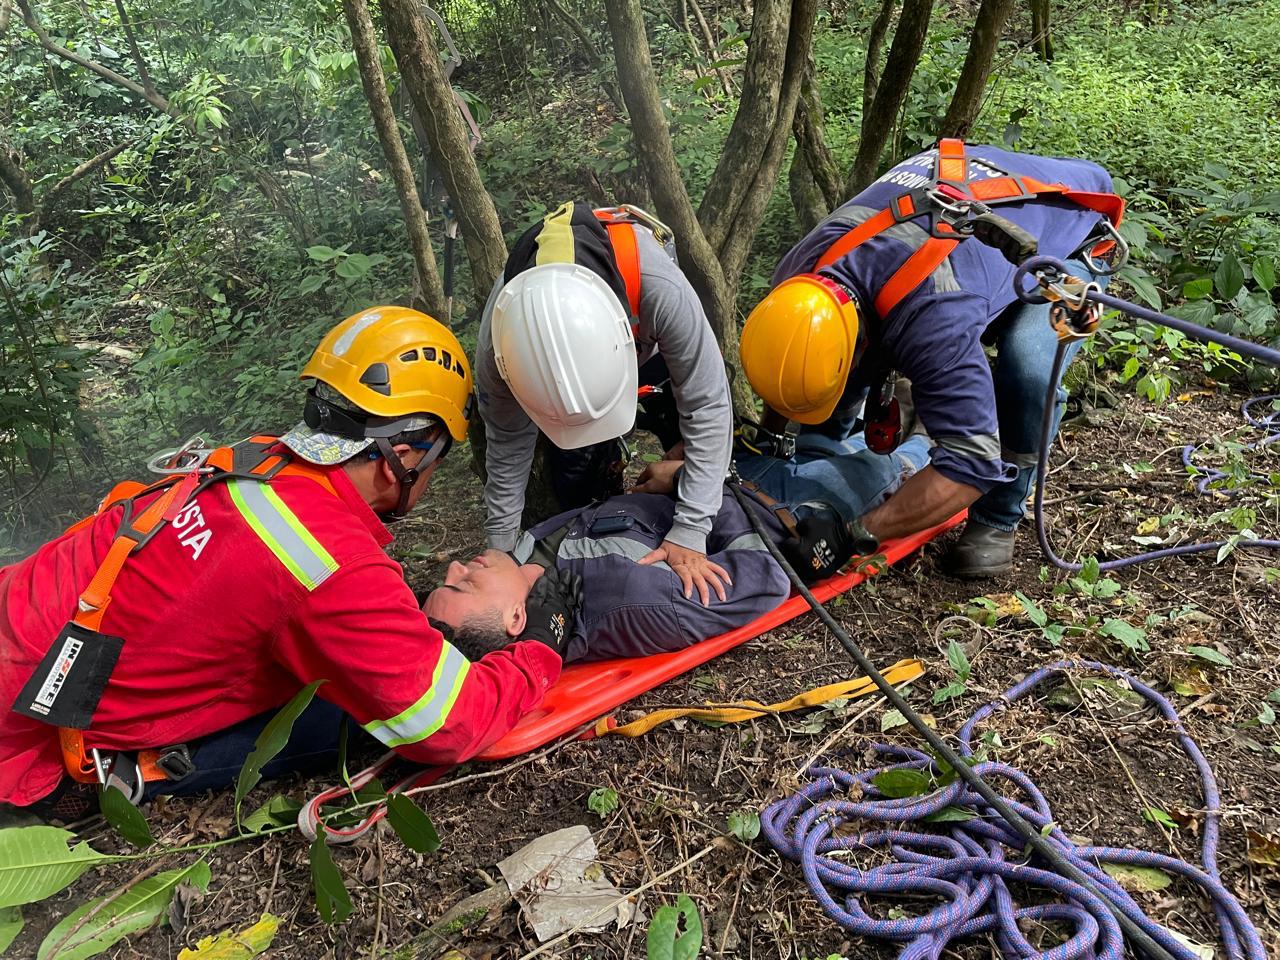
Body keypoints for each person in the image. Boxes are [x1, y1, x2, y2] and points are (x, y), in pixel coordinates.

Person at [0, 306, 581, 819]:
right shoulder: (329, 562)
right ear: (406, 452)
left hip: (23, 623)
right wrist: (538, 649)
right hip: (24, 741)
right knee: (349, 710)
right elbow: (448, 725)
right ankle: (128, 773)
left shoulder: (256, 462)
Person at [738, 139, 1124, 577]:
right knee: (828, 377)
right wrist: (767, 444)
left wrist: (853, 533)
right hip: (960, 241)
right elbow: (791, 361)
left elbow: (970, 466)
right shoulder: (799, 279)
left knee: (1026, 368)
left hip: (1073, 235)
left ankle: (998, 519)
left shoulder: (934, 315)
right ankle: (823, 448)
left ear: (862, 343)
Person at [422, 431, 931, 663]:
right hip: (793, 510)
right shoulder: (628, 600)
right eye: (466, 583)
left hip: (731, 476)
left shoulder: (528, 551)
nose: (458, 564)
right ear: (515, 619)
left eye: (452, 576)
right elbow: (769, 574)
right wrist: (692, 483)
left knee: (838, 431)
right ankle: (925, 449)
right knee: (887, 463)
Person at [476, 201, 733, 603]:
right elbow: (507, 442)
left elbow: (708, 404)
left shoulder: (661, 291)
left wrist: (691, 528)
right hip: (570, 366)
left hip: (651, 345)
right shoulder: (501, 349)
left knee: (686, 434)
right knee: (576, 468)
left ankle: (696, 488)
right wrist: (501, 547)